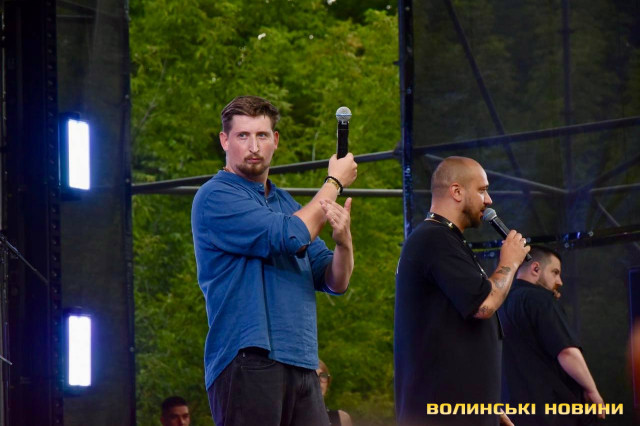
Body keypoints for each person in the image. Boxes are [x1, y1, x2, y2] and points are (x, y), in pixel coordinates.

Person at [191, 96, 358, 426]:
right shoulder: (216, 195)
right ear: (225, 140)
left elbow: (334, 280)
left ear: (275, 140)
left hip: (302, 361)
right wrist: (334, 182)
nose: (253, 146)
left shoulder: (286, 203)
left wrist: (344, 243)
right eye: (243, 135)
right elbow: (291, 235)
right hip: (248, 357)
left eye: (262, 135)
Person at [394, 156, 530, 426]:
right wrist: (510, 262)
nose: (489, 200)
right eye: (482, 190)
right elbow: (483, 304)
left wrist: (487, 404)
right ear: (456, 191)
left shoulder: (446, 240)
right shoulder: (435, 239)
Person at [499, 246, 605, 425]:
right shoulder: (541, 299)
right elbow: (567, 352)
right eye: (555, 272)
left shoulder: (499, 304)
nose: (560, 281)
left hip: (512, 412)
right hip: (552, 411)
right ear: (536, 268)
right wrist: (592, 391)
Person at [316, 359, 353, 426]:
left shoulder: (342, 419)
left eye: (323, 376)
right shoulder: (295, 418)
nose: (318, 381)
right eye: (312, 376)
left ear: (327, 383)